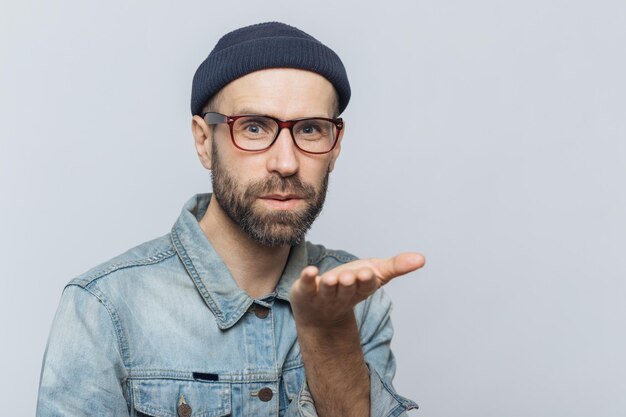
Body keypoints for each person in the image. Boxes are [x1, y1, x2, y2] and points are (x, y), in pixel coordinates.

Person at [36, 22, 426, 417]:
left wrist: (328, 334)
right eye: (254, 128)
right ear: (204, 141)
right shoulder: (104, 308)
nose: (286, 163)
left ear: (335, 146)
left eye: (310, 129)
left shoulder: (354, 301)